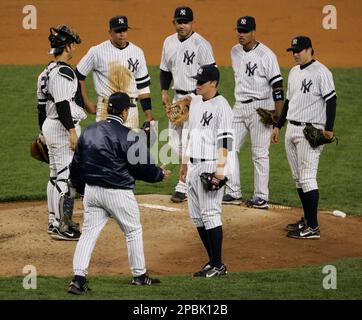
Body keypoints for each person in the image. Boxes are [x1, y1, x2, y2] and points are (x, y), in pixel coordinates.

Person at [67, 92, 170, 294]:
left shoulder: (89, 130)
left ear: (108, 109)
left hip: (93, 193)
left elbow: (76, 164)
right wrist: (158, 174)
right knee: (133, 231)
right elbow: (142, 167)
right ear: (124, 112)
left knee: (88, 234)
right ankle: (139, 276)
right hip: (118, 193)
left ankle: (78, 279)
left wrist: (79, 188)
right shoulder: (129, 135)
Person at [272, 36, 337, 239]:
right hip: (291, 128)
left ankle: (313, 228)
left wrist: (329, 128)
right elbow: (290, 102)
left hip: (310, 131)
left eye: (299, 50)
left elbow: (332, 100)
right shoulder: (293, 72)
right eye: (293, 51)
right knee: (299, 179)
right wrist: (278, 126)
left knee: (308, 178)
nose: (295, 54)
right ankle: (308, 219)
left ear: (310, 50)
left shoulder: (322, 72)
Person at [36, 25, 95, 240]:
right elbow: (62, 105)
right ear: (67, 46)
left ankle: (54, 221)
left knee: (54, 175)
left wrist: (42, 132)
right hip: (62, 128)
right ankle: (63, 226)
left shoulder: (45, 72)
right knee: (66, 176)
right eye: (73, 45)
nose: (74, 49)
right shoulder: (64, 72)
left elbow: (41, 108)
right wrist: (71, 132)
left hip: (50, 126)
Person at [223, 16, 284, 209]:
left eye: (245, 31)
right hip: (239, 106)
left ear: (253, 32)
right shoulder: (234, 51)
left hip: (261, 108)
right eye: (239, 31)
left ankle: (261, 196)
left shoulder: (267, 55)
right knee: (226, 146)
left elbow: (278, 86)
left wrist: (277, 116)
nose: (241, 35)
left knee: (259, 153)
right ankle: (233, 192)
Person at [179, 64, 233, 277]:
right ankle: (213, 262)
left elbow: (226, 141)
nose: (197, 85)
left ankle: (218, 265)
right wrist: (184, 163)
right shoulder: (197, 102)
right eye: (196, 81)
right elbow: (190, 134)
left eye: (201, 82)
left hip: (211, 164)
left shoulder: (222, 107)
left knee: (210, 214)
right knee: (197, 217)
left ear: (213, 83)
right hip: (193, 166)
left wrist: (220, 171)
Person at [160, 6, 216, 203]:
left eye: (186, 22)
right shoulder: (168, 42)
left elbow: (212, 73)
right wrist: (164, 91)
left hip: (197, 99)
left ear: (193, 23)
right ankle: (195, 176)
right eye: (179, 22)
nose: (182, 25)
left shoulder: (202, 44)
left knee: (190, 143)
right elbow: (165, 70)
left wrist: (194, 97)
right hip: (177, 98)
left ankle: (183, 186)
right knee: (174, 143)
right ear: (173, 22)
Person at [76, 15, 155, 129]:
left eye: (124, 30)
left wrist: (149, 115)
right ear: (110, 32)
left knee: (130, 146)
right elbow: (78, 75)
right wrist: (86, 103)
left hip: (130, 110)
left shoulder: (138, 52)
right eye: (118, 31)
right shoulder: (96, 51)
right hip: (106, 109)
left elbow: (142, 86)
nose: (122, 34)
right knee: (106, 145)